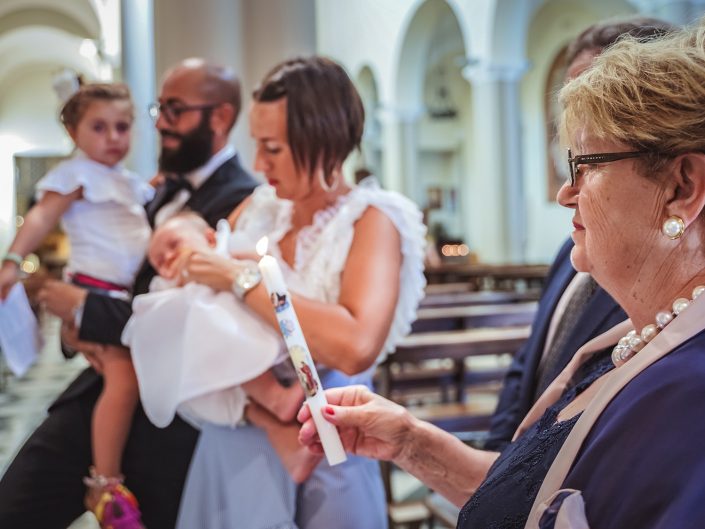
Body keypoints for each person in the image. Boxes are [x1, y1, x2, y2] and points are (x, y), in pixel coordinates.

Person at [300, 20, 705, 528]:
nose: (565, 192)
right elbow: (540, 495)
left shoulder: (692, 395)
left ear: (682, 188)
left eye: (586, 165)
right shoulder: (634, 342)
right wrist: (408, 441)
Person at [0, 59, 258, 529]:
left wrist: (83, 308)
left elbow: (197, 328)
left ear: (219, 117)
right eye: (159, 109)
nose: (159, 123)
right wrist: (76, 326)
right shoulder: (151, 189)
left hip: (170, 420)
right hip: (101, 390)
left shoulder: (244, 202)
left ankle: (107, 481)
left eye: (174, 110)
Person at [174, 56, 427, 528]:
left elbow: (355, 345)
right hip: (238, 438)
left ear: (323, 141)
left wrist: (239, 279)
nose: (258, 164)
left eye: (272, 148)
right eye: (257, 145)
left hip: (330, 440)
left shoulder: (372, 219)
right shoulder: (260, 207)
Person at [485, 16, 673, 451]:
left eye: (599, 97)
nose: (565, 193)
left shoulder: (659, 288)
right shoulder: (567, 254)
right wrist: (497, 463)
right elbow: (530, 365)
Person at [0, 82, 152, 527]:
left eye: (122, 127)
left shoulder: (128, 182)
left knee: (121, 376)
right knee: (123, 380)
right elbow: (42, 216)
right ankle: (105, 484)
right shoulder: (76, 175)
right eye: (99, 127)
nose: (113, 138)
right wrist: (12, 261)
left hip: (119, 298)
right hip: (92, 292)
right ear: (73, 132)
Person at [124, 212, 306, 438]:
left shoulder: (229, 253)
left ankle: (275, 404)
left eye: (174, 245)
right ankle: (274, 401)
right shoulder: (166, 288)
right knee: (205, 322)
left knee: (213, 318)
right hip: (212, 364)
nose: (168, 257)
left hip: (257, 331)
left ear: (210, 239)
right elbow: (157, 314)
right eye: (159, 262)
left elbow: (258, 266)